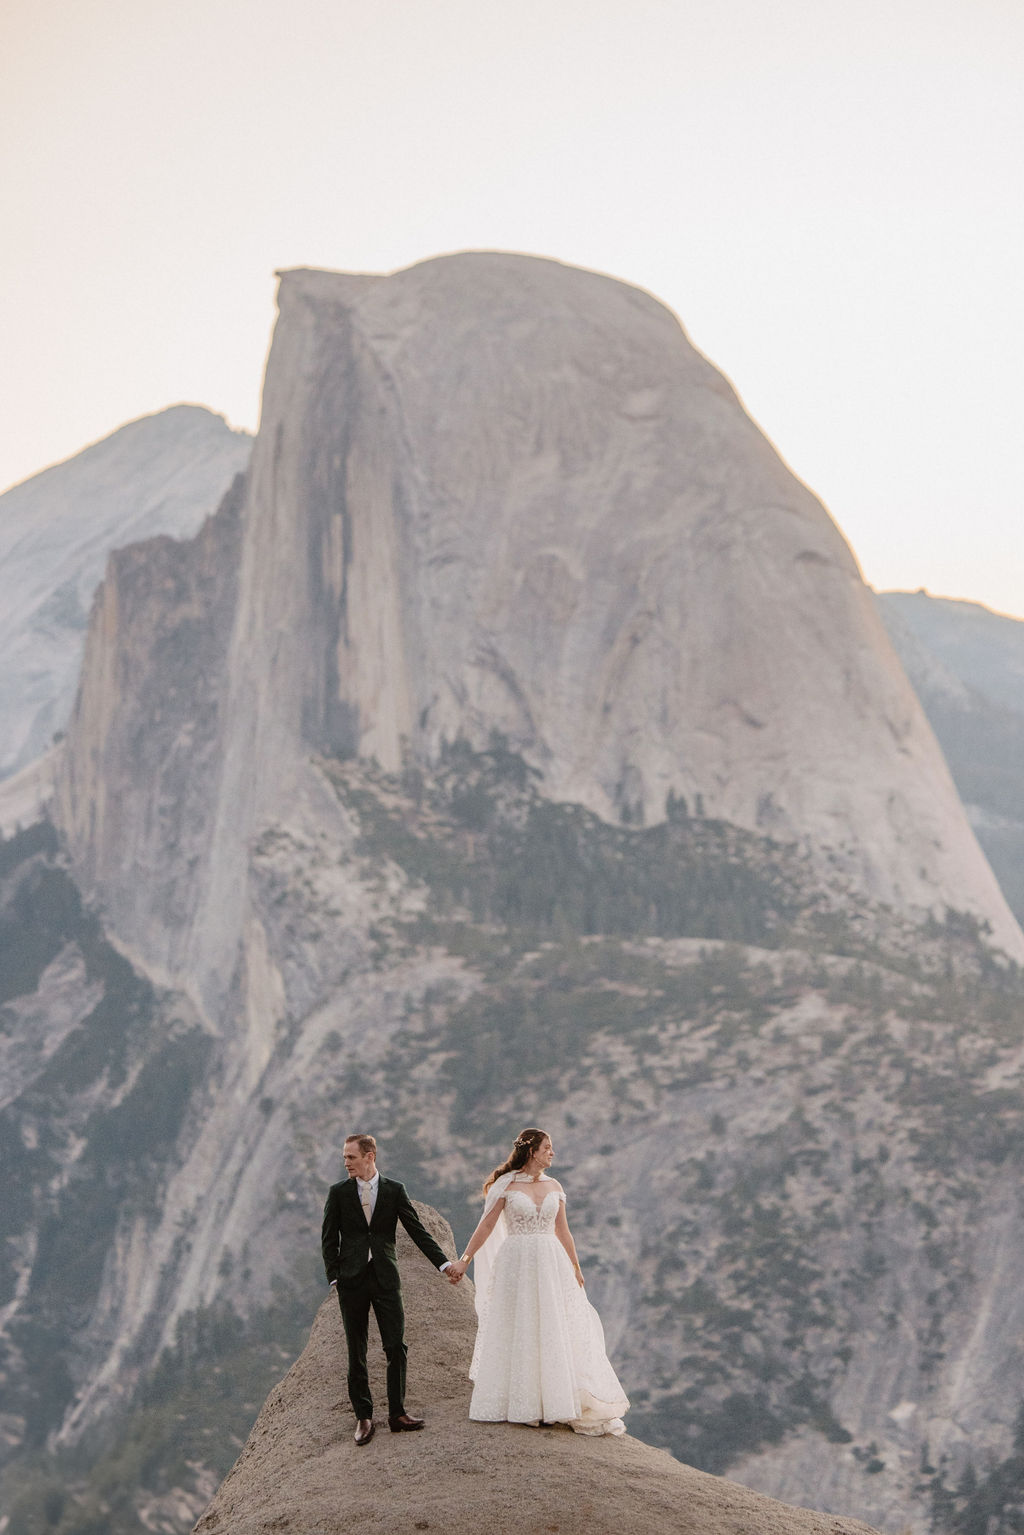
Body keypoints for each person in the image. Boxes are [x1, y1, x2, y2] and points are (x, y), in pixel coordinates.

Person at [446, 1127, 629, 1435]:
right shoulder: (506, 1185)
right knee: (522, 1326)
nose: (552, 1153)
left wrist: (575, 1266)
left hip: (550, 1261)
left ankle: (553, 1401)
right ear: (532, 1151)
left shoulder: (555, 1186)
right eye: (548, 1148)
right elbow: (487, 1225)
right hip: (516, 1261)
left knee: (552, 1326)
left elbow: (563, 1231)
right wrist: (465, 1260)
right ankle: (524, 1403)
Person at [321, 1133, 461, 1446]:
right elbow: (329, 1238)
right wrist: (335, 1277)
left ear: (370, 1156)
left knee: (396, 1345)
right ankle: (364, 1416)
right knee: (355, 1351)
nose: (346, 1163)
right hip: (352, 1281)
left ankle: (397, 1413)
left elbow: (418, 1232)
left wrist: (444, 1264)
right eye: (345, 1158)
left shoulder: (394, 1190)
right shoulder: (339, 1193)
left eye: (351, 1157)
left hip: (385, 1278)